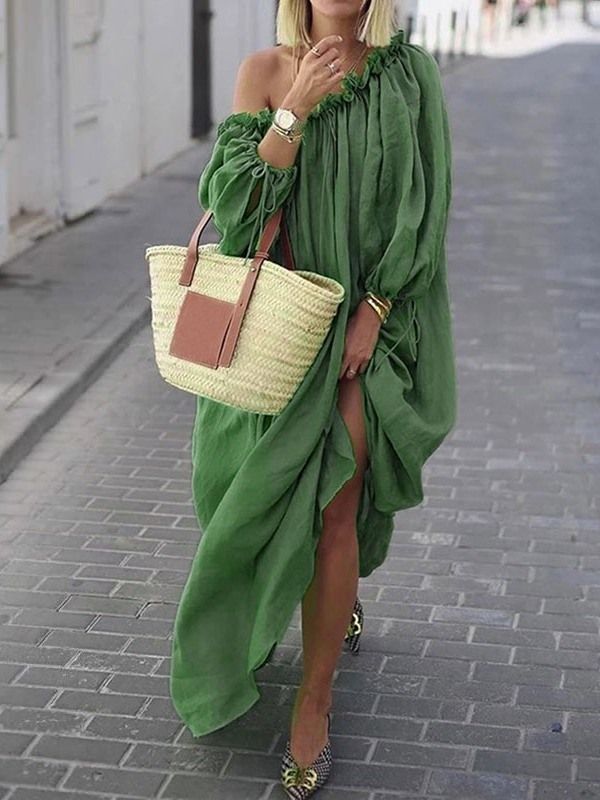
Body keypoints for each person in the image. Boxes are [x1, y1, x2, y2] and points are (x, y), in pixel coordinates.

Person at [169, 0, 456, 795]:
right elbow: (236, 210)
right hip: (279, 327)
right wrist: (291, 110)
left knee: (338, 501)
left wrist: (378, 308)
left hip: (368, 327)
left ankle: (316, 701)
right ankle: (305, 614)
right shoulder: (263, 71)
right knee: (254, 501)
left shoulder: (410, 76)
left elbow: (425, 208)